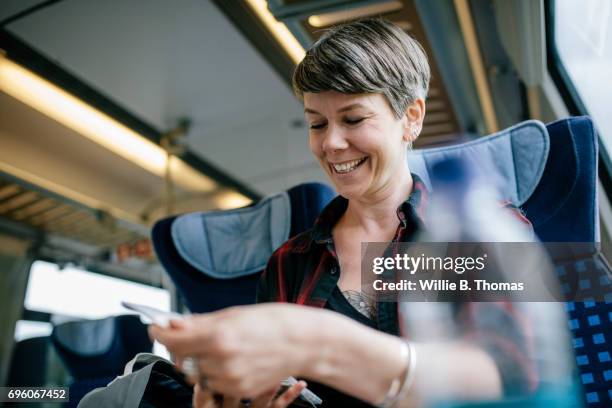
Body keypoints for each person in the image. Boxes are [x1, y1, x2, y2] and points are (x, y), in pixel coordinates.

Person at [150, 18, 534, 407]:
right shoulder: (289, 263)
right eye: (317, 124)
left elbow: (514, 375)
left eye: (353, 119)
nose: (331, 143)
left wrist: (320, 343)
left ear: (412, 118)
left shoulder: (475, 233)